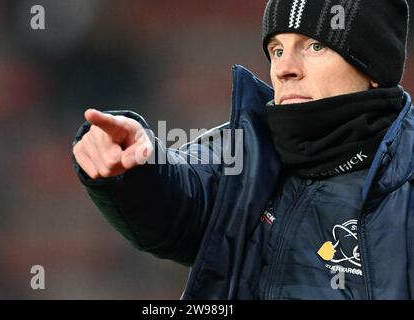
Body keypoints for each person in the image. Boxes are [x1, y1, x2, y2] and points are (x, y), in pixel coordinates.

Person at [72, 0, 413, 299]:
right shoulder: (247, 152)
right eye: (277, 49)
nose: (284, 68)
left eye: (314, 46)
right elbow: (179, 194)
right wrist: (136, 167)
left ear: (373, 68)